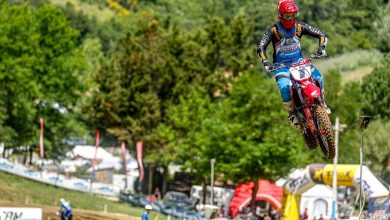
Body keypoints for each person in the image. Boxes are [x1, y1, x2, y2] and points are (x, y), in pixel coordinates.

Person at [257, 0, 328, 125]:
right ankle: (291, 113)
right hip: (281, 66)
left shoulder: (299, 27)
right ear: (280, 15)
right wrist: (266, 62)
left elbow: (321, 35)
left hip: (300, 62)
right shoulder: (274, 30)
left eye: (293, 15)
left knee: (319, 77)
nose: (290, 19)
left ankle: (322, 103)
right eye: (287, 16)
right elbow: (261, 47)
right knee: (285, 87)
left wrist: (321, 48)